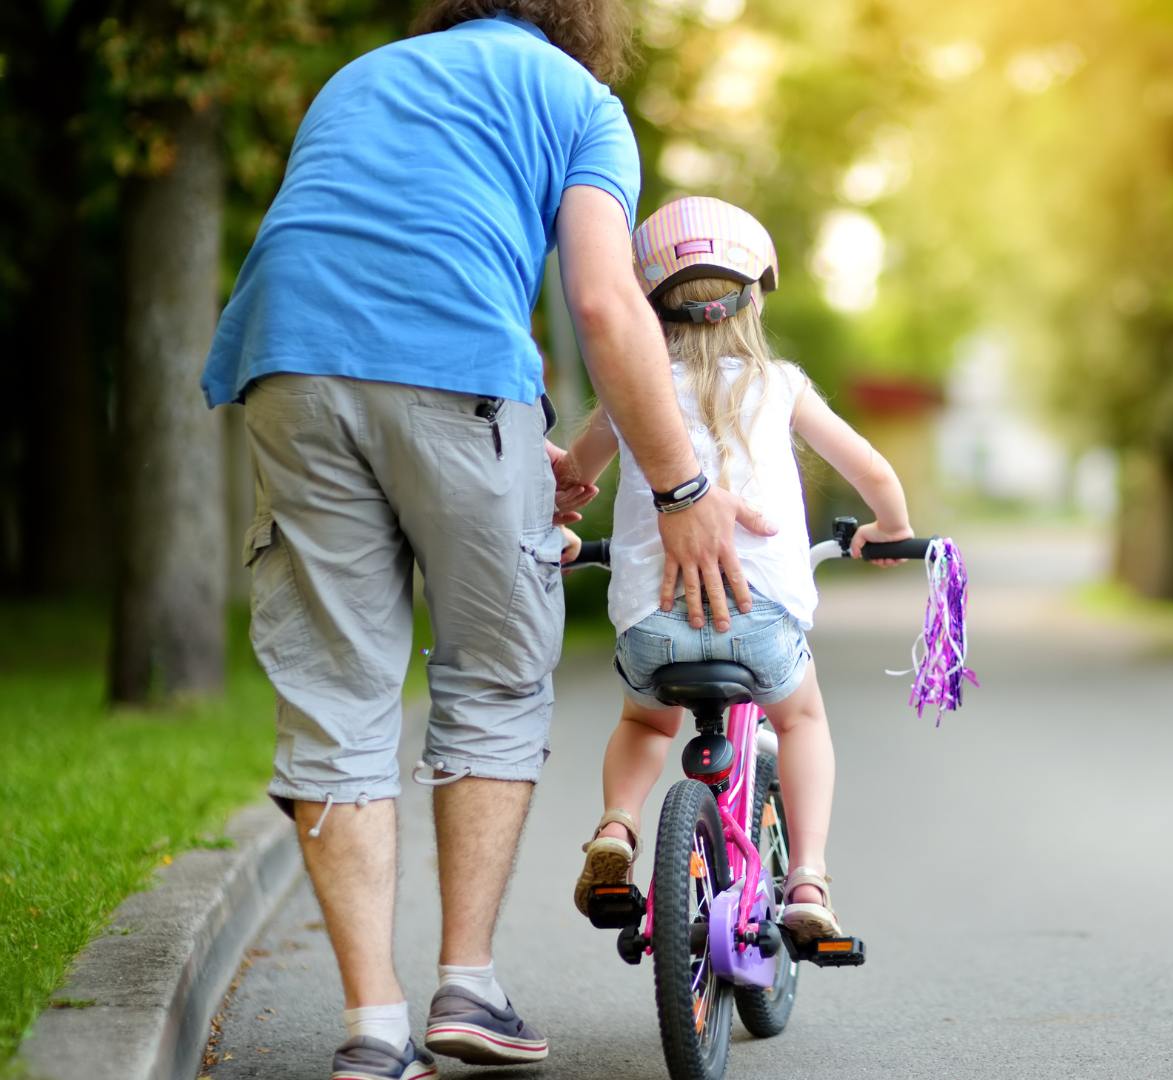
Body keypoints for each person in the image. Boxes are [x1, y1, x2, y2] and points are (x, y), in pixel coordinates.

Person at [198, 6, 773, 1079]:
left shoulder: (362, 76)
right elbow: (608, 306)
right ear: (582, 19)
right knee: (496, 677)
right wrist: (682, 484)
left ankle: (374, 1029)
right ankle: (469, 982)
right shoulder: (581, 101)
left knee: (335, 693)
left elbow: (341, 232)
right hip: (458, 366)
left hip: (285, 363)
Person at [562, 196, 913, 944]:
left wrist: (560, 530)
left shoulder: (630, 394)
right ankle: (809, 879)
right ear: (754, 295)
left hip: (652, 628)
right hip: (762, 627)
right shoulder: (780, 385)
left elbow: (571, 481)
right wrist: (891, 529)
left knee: (644, 720)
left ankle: (618, 828)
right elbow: (873, 469)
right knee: (803, 719)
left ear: (646, 302)